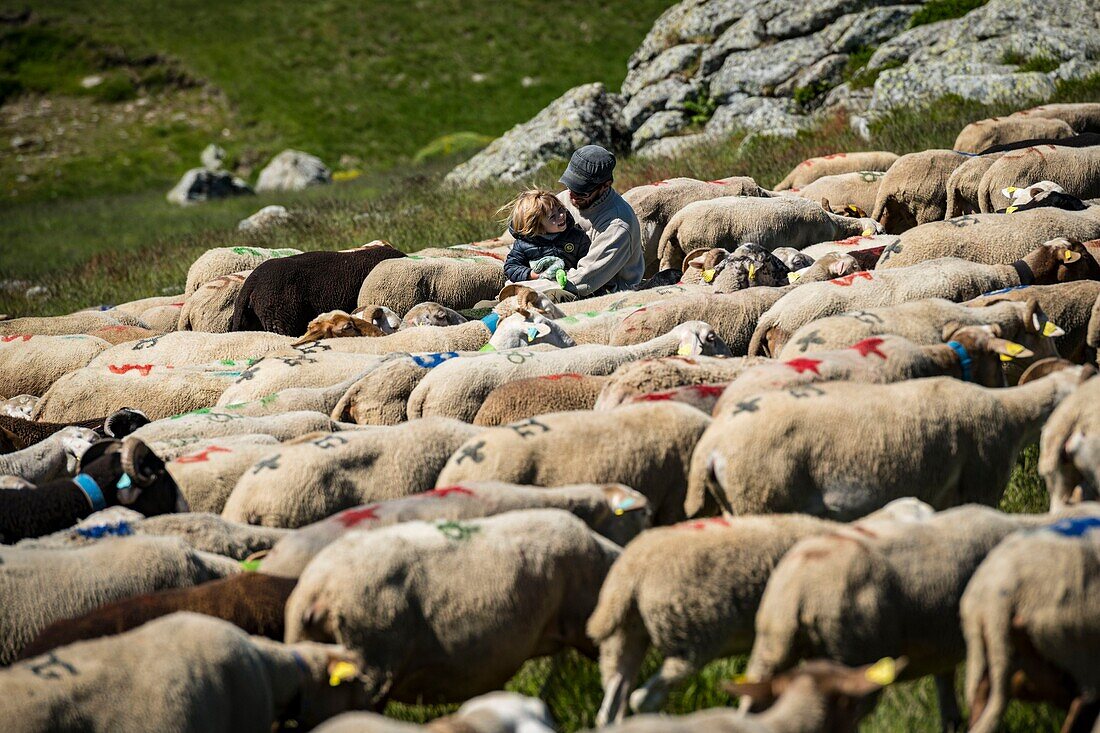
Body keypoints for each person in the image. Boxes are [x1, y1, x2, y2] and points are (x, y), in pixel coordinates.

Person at [555, 144, 644, 297]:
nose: (572, 195)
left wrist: (540, 285)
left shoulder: (618, 225)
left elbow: (583, 280)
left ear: (605, 185)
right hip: (563, 274)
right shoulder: (564, 200)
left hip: (608, 294)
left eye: (582, 191)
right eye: (570, 186)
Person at [500, 190, 590, 285]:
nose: (561, 215)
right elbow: (511, 267)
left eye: (560, 209)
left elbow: (587, 261)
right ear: (537, 226)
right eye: (552, 217)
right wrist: (532, 275)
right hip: (538, 283)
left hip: (569, 282)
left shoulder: (576, 236)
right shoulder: (524, 245)